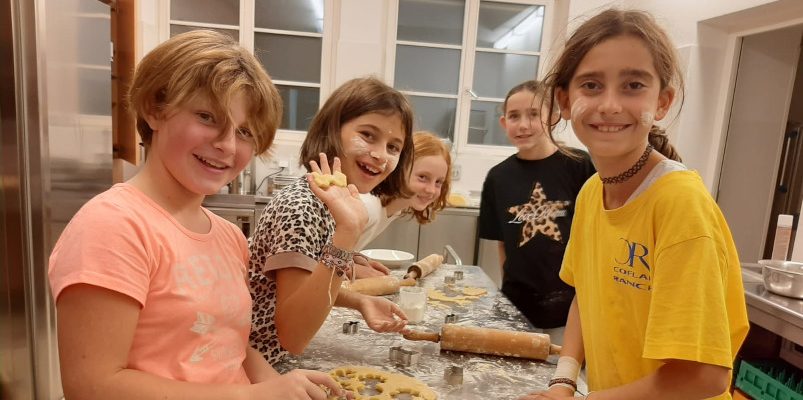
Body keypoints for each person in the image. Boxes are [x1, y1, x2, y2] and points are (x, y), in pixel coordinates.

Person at [48, 30, 350, 400]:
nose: (227, 145)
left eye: (244, 132)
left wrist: (280, 387)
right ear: (154, 110)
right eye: (207, 117)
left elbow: (229, 348)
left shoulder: (228, 236)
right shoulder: (112, 226)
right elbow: (92, 386)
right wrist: (252, 397)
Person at [521, 9, 749, 400]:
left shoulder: (679, 204)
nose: (610, 104)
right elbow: (586, 296)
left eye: (633, 85)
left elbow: (705, 375)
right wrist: (564, 380)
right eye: (591, 85)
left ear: (662, 102)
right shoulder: (592, 192)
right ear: (564, 100)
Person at [249, 77, 415, 364]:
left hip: (270, 359)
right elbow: (294, 336)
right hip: (252, 363)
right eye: (368, 135)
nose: (380, 155)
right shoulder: (301, 207)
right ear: (332, 131)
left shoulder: (329, 203)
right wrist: (347, 235)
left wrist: (359, 301)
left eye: (393, 147)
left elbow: (307, 285)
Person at [478, 80, 595, 343]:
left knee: (561, 369)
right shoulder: (498, 178)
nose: (523, 125)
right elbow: (502, 244)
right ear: (503, 123)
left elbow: (597, 234)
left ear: (552, 117)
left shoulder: (579, 166)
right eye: (514, 116)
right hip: (515, 308)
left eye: (533, 114)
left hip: (569, 307)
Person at [355, 130, 453, 251]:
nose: (431, 190)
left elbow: (344, 251)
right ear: (399, 170)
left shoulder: (395, 209)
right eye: (422, 177)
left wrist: (359, 259)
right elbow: (333, 255)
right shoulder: (369, 207)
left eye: (438, 182)